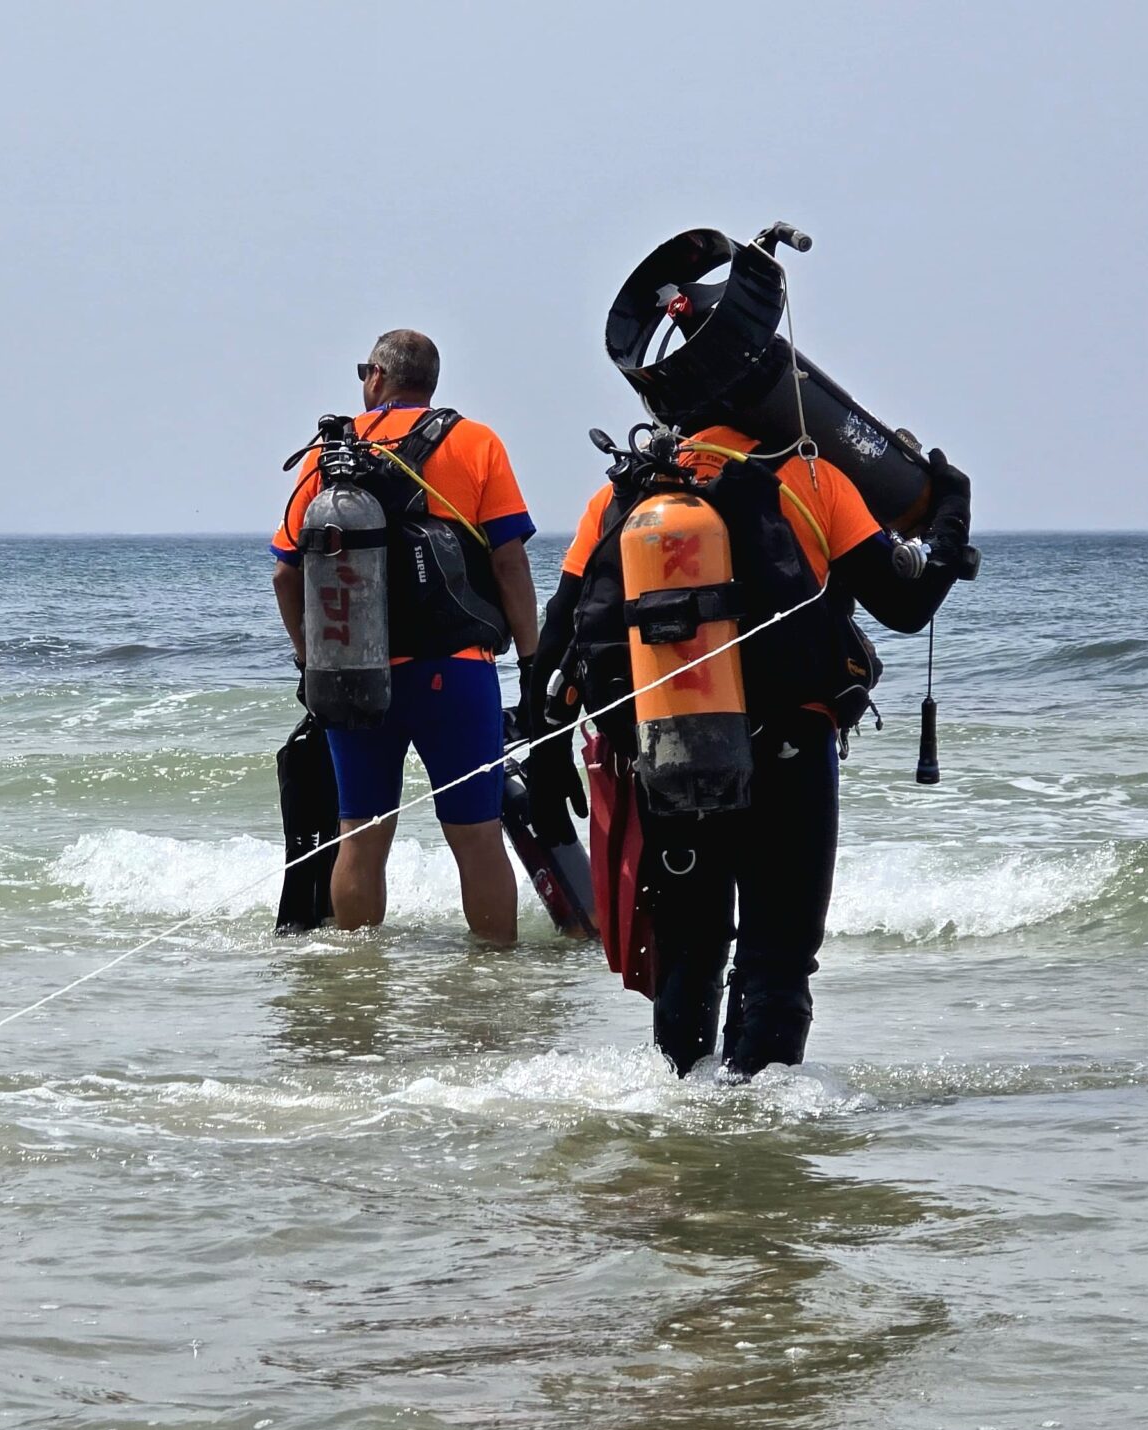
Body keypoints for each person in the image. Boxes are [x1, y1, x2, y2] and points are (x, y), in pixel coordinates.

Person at [518, 428, 972, 1079]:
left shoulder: (630, 496)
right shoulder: (810, 479)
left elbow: (560, 632)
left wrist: (547, 760)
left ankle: (677, 1105)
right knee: (777, 958)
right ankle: (762, 1119)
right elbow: (907, 602)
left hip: (672, 745)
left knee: (689, 949)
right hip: (790, 748)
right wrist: (952, 507)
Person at [270, 330, 541, 945]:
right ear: (431, 382)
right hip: (455, 669)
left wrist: (311, 663)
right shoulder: (476, 442)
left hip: (353, 673)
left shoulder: (330, 456)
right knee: (476, 836)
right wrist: (531, 659)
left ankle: (356, 979)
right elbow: (509, 562)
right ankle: (497, 978)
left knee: (361, 837)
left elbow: (286, 574)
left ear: (377, 376)